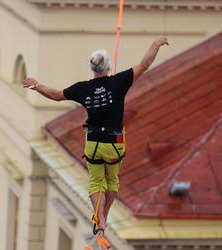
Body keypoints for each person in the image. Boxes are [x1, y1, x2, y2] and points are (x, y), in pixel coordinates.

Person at [22, 36, 168, 234]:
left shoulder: (83, 89)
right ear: (108, 67)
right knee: (112, 181)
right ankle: (104, 216)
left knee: (95, 182)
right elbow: (144, 64)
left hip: (93, 143)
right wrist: (156, 43)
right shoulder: (119, 82)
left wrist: (35, 85)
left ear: (92, 68)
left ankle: (98, 219)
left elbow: (55, 95)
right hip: (114, 142)